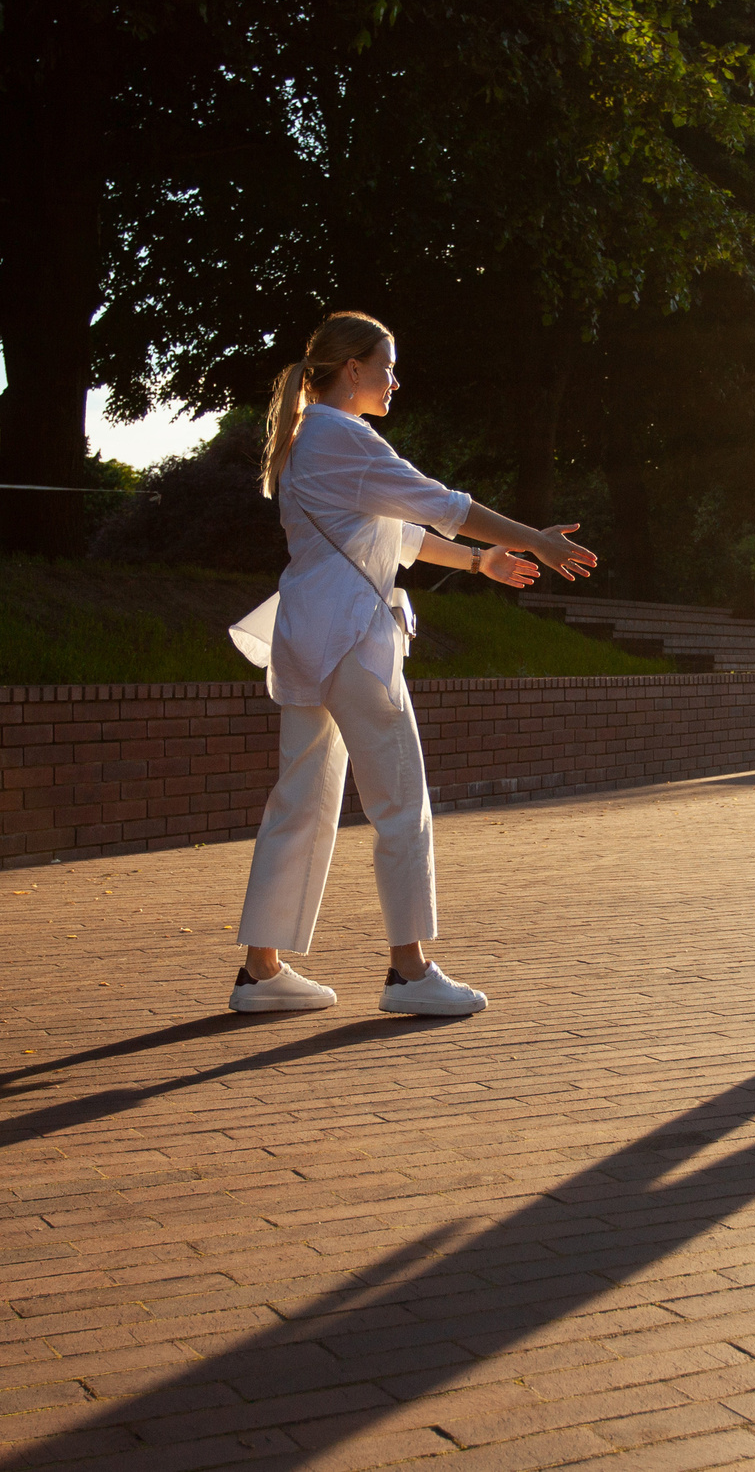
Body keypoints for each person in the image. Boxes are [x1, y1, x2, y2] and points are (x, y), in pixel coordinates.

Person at [225, 311, 598, 1016]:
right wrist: (533, 540)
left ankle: (261, 971)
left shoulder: (311, 440)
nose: (396, 378)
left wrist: (480, 560)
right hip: (352, 643)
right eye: (387, 365)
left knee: (300, 803)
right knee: (402, 801)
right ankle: (410, 971)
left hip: (306, 638)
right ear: (353, 368)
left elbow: (396, 528)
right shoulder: (346, 436)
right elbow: (443, 504)